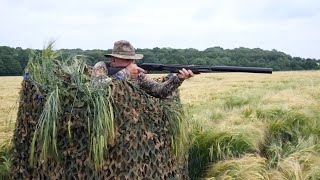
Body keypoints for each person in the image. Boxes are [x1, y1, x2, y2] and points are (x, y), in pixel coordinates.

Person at [92, 40, 195, 99]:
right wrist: (126, 73)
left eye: (132, 60)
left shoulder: (136, 74)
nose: (131, 63)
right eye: (126, 60)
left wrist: (178, 79)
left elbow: (158, 91)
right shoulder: (101, 66)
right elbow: (98, 87)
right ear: (113, 59)